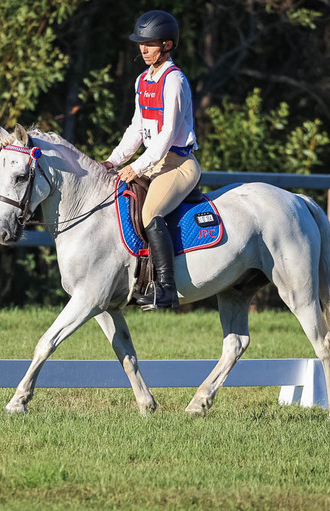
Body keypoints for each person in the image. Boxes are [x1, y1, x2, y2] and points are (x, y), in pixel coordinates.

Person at [102, 10, 200, 310]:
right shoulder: (142, 80)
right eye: (140, 43)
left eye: (151, 44)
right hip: (153, 161)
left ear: (167, 45)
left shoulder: (174, 80)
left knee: (149, 214)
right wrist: (112, 161)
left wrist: (137, 167)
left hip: (178, 164)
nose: (143, 49)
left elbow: (168, 133)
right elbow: (136, 128)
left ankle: (166, 290)